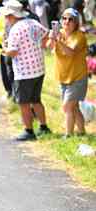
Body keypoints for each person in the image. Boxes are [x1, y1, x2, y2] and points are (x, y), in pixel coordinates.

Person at [0, 0, 51, 141]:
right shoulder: (33, 23)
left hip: (24, 73)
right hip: (39, 69)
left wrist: (4, 50)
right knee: (36, 100)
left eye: (7, 16)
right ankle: (43, 127)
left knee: (23, 103)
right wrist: (39, 45)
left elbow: (13, 52)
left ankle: (29, 131)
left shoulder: (15, 30)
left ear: (12, 16)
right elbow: (46, 34)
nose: (6, 19)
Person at [47, 8, 88, 138]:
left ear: (76, 22)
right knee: (74, 107)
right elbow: (49, 46)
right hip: (63, 76)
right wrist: (52, 38)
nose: (67, 21)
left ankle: (68, 135)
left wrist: (59, 41)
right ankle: (81, 132)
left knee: (67, 107)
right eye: (64, 18)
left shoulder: (80, 37)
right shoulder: (59, 33)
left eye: (71, 19)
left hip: (77, 77)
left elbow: (70, 52)